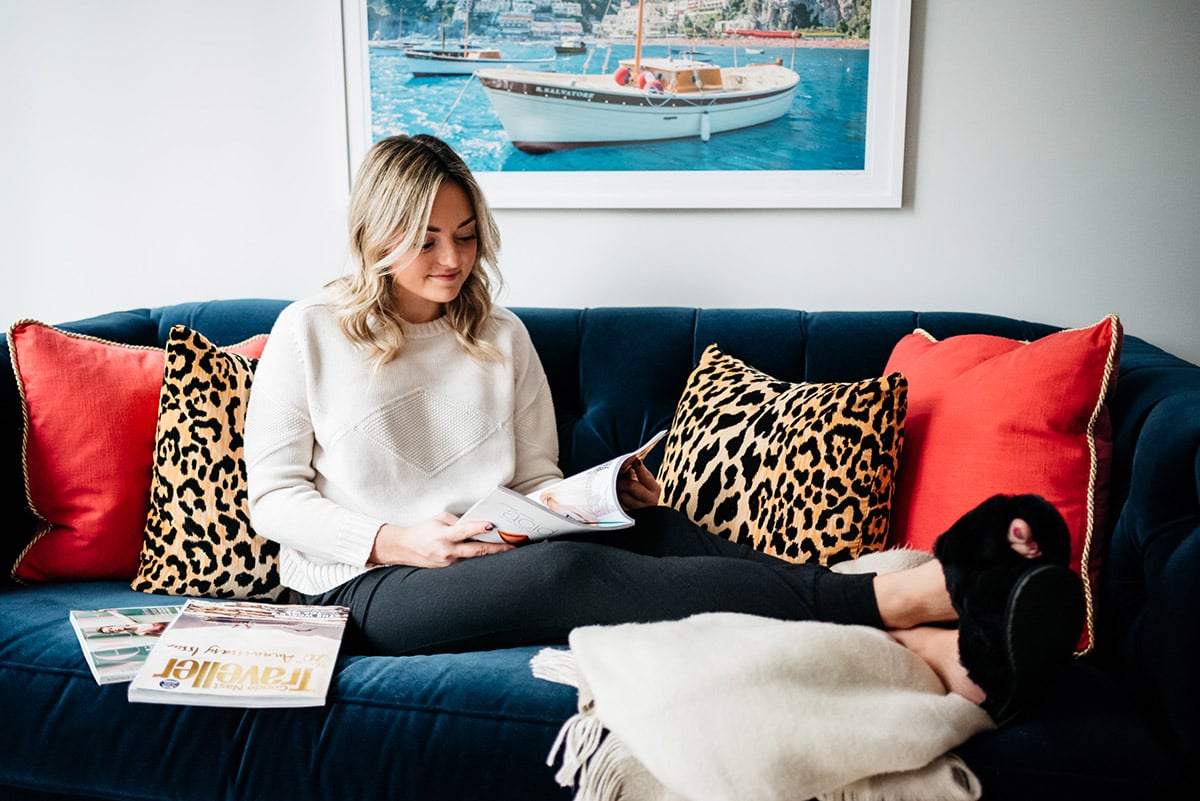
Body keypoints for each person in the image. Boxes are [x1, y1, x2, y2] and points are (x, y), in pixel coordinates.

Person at [244, 134, 1083, 724]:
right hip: (363, 587)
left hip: (499, 547)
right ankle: (906, 593)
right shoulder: (310, 330)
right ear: (375, 233)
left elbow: (536, 479)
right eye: (427, 240)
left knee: (649, 524)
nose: (453, 260)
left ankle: (928, 651)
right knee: (563, 576)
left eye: (466, 236)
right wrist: (395, 539)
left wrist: (595, 493)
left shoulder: (502, 337)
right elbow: (273, 498)